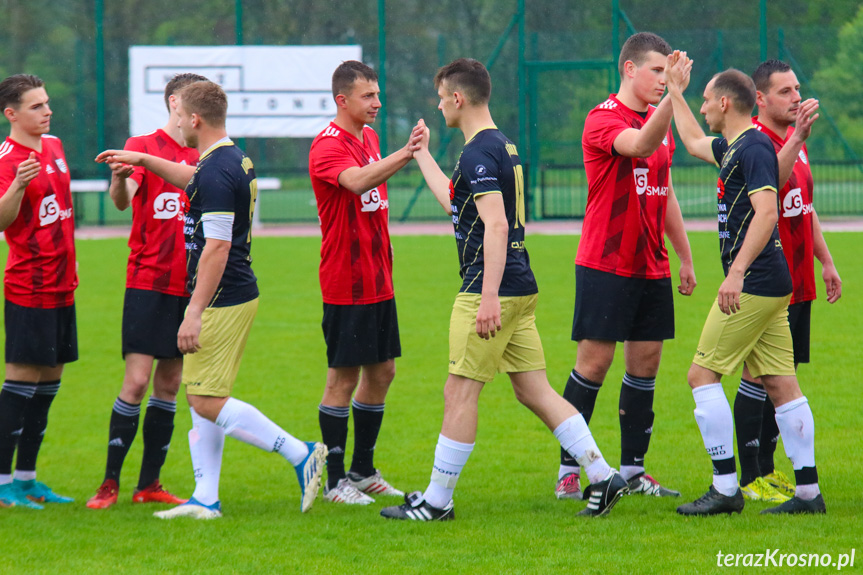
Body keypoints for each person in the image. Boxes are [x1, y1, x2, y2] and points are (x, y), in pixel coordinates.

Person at [381, 58, 629, 521]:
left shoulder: (478, 153)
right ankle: (604, 475)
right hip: (520, 285)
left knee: (459, 393)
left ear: (458, 98)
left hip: (489, 289)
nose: (438, 107)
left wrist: (488, 296)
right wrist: (421, 155)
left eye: (440, 98)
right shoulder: (501, 146)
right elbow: (457, 204)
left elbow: (495, 225)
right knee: (534, 391)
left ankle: (436, 502)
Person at [96, 81, 326, 519]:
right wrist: (143, 158)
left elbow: (217, 247)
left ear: (195, 119)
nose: (177, 123)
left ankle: (300, 453)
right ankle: (206, 498)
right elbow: (193, 180)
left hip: (223, 296)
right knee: (204, 391)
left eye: (181, 116)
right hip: (229, 292)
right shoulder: (227, 158)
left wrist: (194, 312)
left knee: (203, 400)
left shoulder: (218, 171)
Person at [665, 56, 825, 515]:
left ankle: (725, 489)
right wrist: (675, 92)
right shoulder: (735, 145)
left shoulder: (752, 149)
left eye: (705, 102)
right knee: (781, 385)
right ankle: (809, 496)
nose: (704, 110)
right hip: (774, 284)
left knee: (701, 375)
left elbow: (768, 213)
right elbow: (693, 141)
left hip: (754, 283)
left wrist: (735, 273)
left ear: (724, 102)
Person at [556, 32, 695, 501]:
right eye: (656, 71)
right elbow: (636, 146)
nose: (663, 79)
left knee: (646, 364)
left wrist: (684, 254)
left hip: (650, 265)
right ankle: (569, 471)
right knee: (594, 363)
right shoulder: (603, 118)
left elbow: (665, 189)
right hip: (605, 262)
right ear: (629, 70)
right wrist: (674, 97)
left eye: (667, 72)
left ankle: (634, 471)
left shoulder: (662, 120)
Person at [87, 73, 208, 510]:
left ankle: (149, 484)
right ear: (174, 102)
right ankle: (109, 483)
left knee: (170, 384)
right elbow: (123, 199)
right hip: (148, 281)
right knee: (136, 382)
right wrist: (120, 178)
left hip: (189, 287)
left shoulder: (202, 150)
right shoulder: (142, 144)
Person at [731, 60, 842, 504]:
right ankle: (751, 474)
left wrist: (827, 262)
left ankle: (771, 470)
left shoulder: (800, 141)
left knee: (783, 378)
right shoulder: (758, 144)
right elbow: (771, 191)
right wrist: (795, 139)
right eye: (785, 91)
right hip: (765, 280)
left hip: (799, 279)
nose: (796, 97)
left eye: (798, 88)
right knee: (757, 377)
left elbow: (803, 207)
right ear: (760, 99)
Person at [308, 61, 417, 504]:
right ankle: (335, 483)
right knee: (342, 378)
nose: (377, 102)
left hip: (379, 279)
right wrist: (406, 153)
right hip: (346, 282)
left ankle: (362, 470)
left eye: (376, 93)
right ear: (342, 101)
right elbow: (354, 183)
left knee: (384, 371)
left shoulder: (369, 138)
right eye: (368, 96)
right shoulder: (326, 146)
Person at [0, 74, 77, 509]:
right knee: (20, 383)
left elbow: (62, 211)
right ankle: (1, 482)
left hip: (65, 284)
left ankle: (28, 478)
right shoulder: (8, 160)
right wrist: (16, 186)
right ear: (11, 114)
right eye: (36, 106)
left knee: (49, 382)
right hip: (30, 286)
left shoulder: (55, 146)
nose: (46, 111)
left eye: (46, 103)